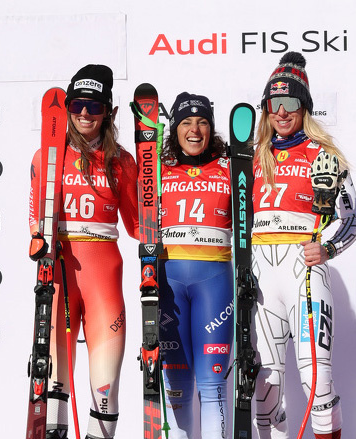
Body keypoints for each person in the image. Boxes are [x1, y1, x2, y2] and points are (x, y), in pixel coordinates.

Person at [251, 52, 356, 439]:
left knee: (317, 378)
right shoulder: (253, 157)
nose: (282, 112)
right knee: (264, 383)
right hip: (261, 276)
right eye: (274, 103)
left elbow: (353, 218)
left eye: (290, 102)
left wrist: (328, 250)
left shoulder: (323, 155)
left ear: (304, 107)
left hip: (303, 273)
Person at [28, 64, 138, 439]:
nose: (85, 114)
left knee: (105, 390)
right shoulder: (46, 157)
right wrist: (38, 238)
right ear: (67, 109)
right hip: (59, 276)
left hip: (103, 278)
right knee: (54, 383)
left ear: (108, 111)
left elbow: (139, 226)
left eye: (94, 106)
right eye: (77, 105)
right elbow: (35, 220)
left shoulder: (122, 162)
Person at [158, 92, 234, 438]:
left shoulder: (230, 166)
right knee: (176, 388)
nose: (194, 130)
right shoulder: (157, 171)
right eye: (186, 122)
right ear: (174, 129)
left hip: (214, 284)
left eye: (202, 122)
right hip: (168, 284)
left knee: (213, 384)